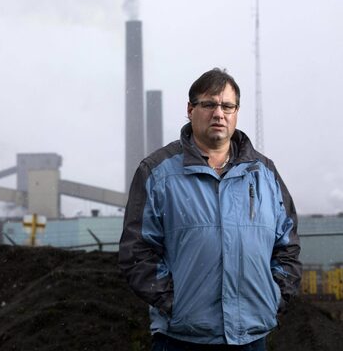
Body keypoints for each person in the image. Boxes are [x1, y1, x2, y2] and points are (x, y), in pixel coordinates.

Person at [118, 68, 301, 350]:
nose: (219, 114)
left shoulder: (264, 174)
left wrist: (274, 297)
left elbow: (288, 246)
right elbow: (137, 251)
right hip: (182, 337)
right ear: (190, 110)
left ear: (236, 112)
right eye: (209, 104)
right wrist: (174, 303)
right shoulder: (157, 172)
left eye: (227, 106)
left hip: (251, 337)